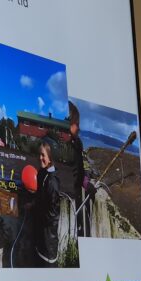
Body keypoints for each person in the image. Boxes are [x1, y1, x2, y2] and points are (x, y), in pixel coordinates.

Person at [31, 141, 62, 267]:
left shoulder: (52, 182)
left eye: (43, 155)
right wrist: (33, 204)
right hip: (40, 239)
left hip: (48, 245)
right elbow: (40, 196)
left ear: (51, 157)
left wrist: (38, 213)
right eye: (39, 154)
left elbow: (53, 216)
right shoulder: (43, 173)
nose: (40, 158)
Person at [67, 101, 91, 237]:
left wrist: (86, 182)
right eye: (77, 124)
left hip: (76, 199)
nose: (79, 128)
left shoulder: (78, 143)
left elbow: (81, 169)